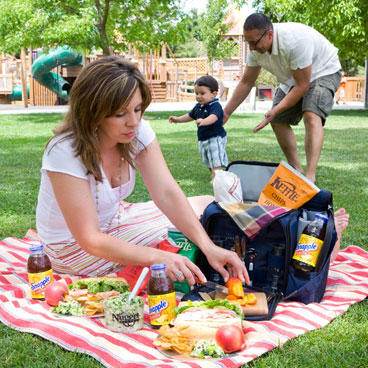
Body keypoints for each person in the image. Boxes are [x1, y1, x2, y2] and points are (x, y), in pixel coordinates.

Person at [36, 56, 249, 286]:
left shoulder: (136, 132)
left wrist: (209, 247)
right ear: (92, 111)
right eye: (120, 114)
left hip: (113, 222)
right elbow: (90, 239)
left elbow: (167, 193)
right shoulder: (65, 150)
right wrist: (159, 256)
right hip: (72, 247)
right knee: (168, 242)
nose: (133, 121)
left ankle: (168, 259)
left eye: (138, 109)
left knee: (205, 204)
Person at [223, 13, 342, 183]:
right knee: (277, 119)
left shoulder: (295, 41)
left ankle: (309, 176)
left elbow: (303, 86)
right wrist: (226, 112)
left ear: (269, 34)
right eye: (247, 42)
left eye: (254, 43)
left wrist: (274, 110)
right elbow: (246, 82)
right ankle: (296, 170)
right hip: (293, 77)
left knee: (311, 114)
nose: (251, 48)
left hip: (323, 70)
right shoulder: (256, 48)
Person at [169, 76, 227, 181]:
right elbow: (190, 116)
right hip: (203, 138)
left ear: (213, 94)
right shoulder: (198, 107)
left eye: (202, 93)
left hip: (215, 137)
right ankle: (214, 174)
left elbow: (214, 117)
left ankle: (217, 177)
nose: (198, 96)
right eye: (197, 93)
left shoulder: (215, 105)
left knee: (215, 158)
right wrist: (177, 119)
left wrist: (204, 121)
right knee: (207, 159)